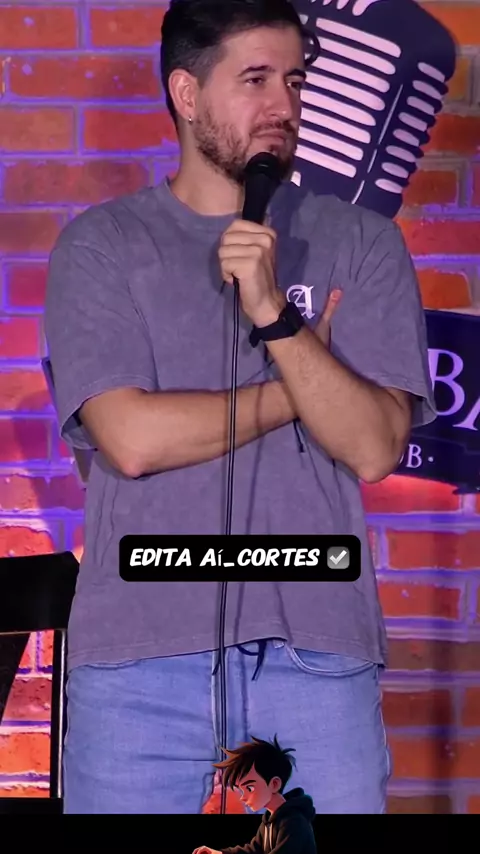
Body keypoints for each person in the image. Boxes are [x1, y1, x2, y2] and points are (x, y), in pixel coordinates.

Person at [44, 0, 436, 815]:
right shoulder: (103, 246)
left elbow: (371, 445)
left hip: (314, 661)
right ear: (186, 94)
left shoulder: (361, 243)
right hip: (140, 669)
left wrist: (274, 315)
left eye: (295, 80)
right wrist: (303, 389)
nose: (283, 105)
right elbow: (131, 438)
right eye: (255, 80)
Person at [193, 735, 317, 854]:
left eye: (250, 788)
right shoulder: (270, 821)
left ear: (274, 784)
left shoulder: (294, 823)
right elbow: (254, 850)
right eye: (241, 790)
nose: (243, 797)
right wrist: (220, 853)